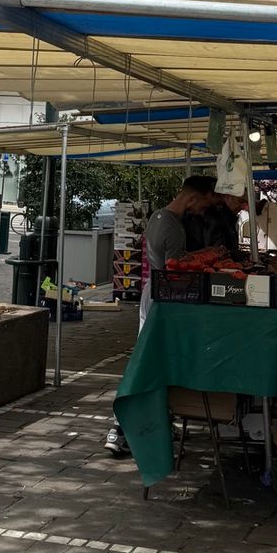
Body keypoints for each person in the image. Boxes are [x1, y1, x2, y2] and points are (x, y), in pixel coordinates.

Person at [105, 180, 212, 459]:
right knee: (148, 364)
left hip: (154, 293)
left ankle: (154, 425)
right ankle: (121, 430)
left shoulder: (158, 216)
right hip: (164, 300)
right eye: (203, 203)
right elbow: (177, 271)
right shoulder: (173, 227)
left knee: (151, 362)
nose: (202, 211)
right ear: (191, 199)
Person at [184, 175, 247, 260]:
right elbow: (216, 253)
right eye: (241, 201)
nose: (244, 207)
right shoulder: (213, 218)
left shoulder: (226, 218)